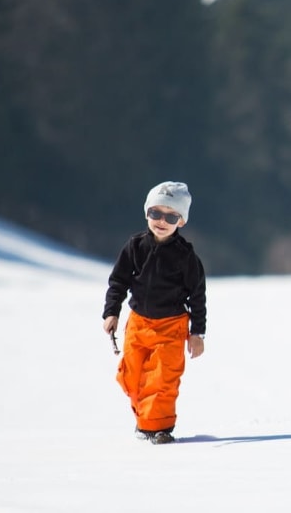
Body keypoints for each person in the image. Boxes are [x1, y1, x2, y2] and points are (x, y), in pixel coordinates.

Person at [102, 181, 207, 445]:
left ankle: (161, 429)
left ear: (181, 221)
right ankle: (145, 422)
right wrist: (111, 312)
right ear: (146, 213)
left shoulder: (186, 257)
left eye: (171, 216)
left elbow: (197, 296)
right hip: (138, 323)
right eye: (155, 213)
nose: (161, 221)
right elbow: (118, 281)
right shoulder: (135, 247)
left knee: (162, 378)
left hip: (171, 326)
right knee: (132, 375)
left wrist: (198, 333)